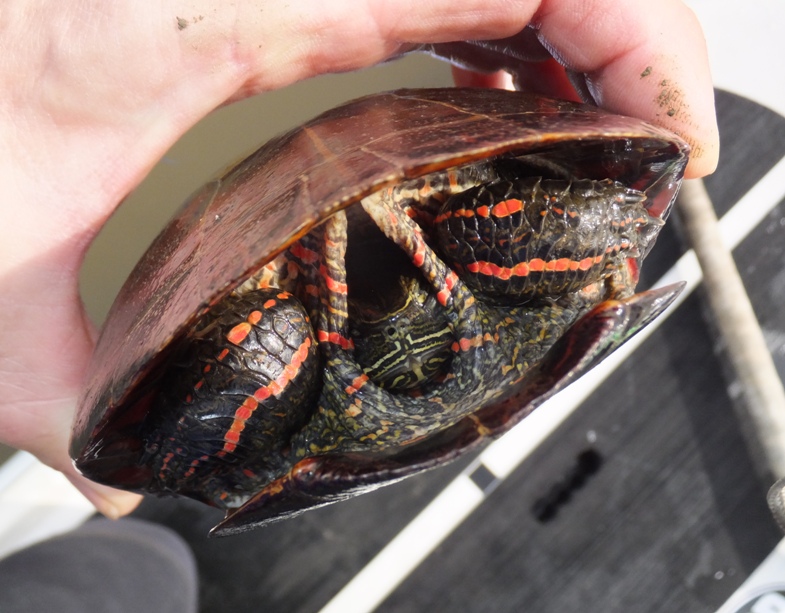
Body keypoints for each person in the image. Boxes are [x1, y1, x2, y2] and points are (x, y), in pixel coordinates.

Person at [0, 0, 718, 521]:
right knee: (260, 353)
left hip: (302, 400)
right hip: (471, 313)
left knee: (260, 358)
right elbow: (612, 220)